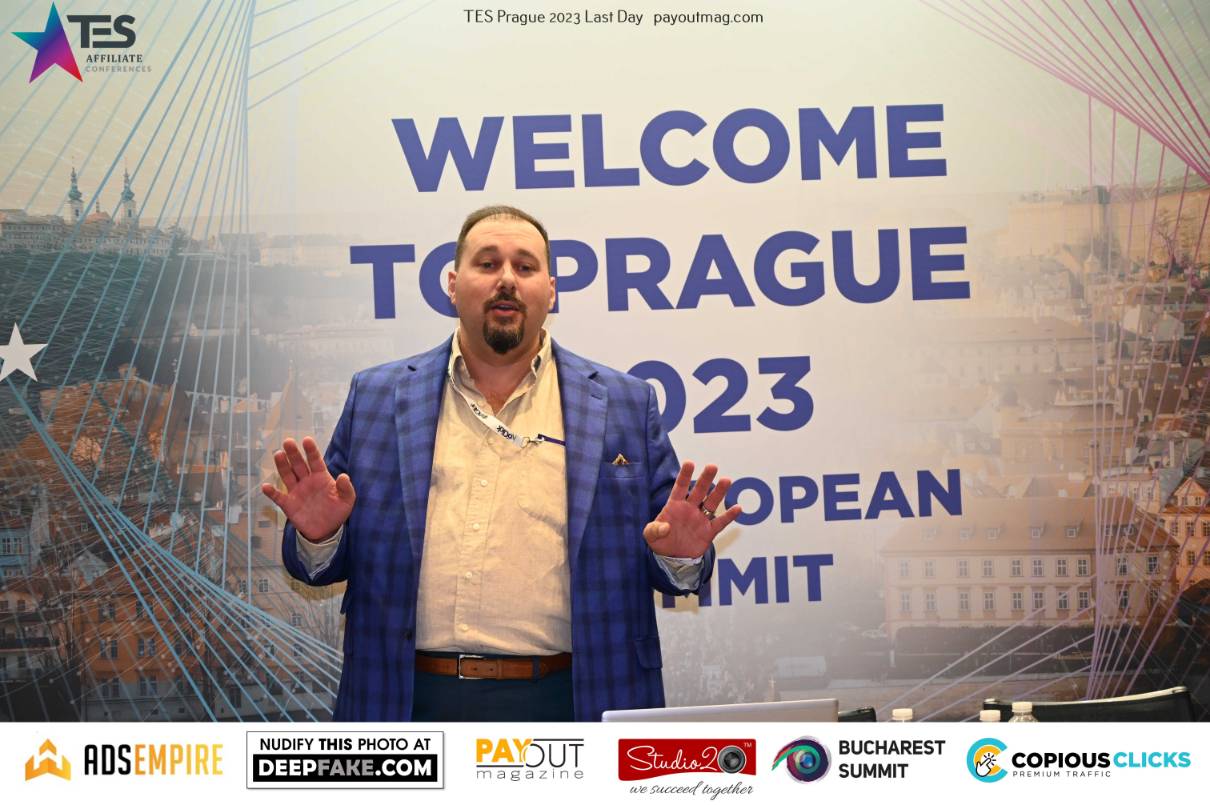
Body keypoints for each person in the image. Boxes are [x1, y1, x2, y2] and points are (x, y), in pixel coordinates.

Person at [263, 205, 742, 721]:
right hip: (407, 701)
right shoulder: (377, 397)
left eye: (525, 266)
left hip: (575, 700)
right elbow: (318, 566)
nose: (507, 279)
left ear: (551, 291)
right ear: (453, 285)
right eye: (488, 264)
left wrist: (681, 556)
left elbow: (673, 564)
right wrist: (320, 537)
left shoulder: (625, 403)